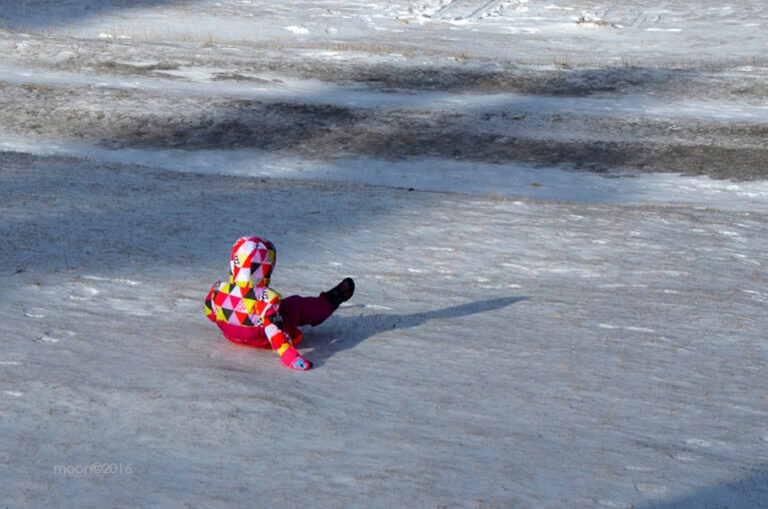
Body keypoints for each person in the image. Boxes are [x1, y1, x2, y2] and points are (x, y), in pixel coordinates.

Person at [204, 236, 354, 371]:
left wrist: (233, 316)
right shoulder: (266, 299)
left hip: (231, 335)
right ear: (265, 268)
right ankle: (329, 301)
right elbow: (274, 331)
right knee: (296, 305)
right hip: (260, 337)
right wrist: (290, 357)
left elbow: (209, 312)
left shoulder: (218, 289)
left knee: (279, 309)